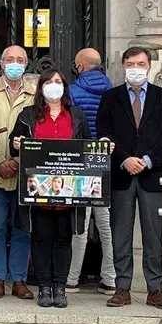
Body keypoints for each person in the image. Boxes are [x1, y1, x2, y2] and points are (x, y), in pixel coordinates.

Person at [96, 46, 162, 311]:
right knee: (120, 234)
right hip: (121, 174)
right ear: (123, 65)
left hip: (153, 175)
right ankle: (122, 287)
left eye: (141, 63)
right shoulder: (110, 98)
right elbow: (103, 131)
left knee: (153, 235)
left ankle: (155, 289)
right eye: (131, 63)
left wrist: (147, 160)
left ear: (149, 66)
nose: (136, 68)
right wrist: (124, 158)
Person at [10, 69, 91, 308]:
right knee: (41, 238)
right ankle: (44, 286)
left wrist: (101, 147)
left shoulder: (76, 115)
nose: (53, 85)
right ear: (41, 87)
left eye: (58, 81)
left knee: (63, 239)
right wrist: (16, 143)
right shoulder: (28, 115)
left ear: (64, 86)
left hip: (68, 192)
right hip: (38, 192)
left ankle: (60, 287)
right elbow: (15, 146)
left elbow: (87, 145)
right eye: (49, 82)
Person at [0, 45, 36, 300]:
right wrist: (0, 160)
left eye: (19, 60)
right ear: (1, 64)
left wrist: (20, 162)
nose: (14, 63)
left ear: (26, 64)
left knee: (23, 229)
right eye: (9, 59)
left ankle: (19, 280)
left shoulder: (36, 94)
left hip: (25, 176)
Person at [68, 48, 116, 295]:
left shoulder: (74, 91)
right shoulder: (113, 92)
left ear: (79, 65)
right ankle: (109, 278)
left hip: (81, 160)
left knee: (80, 222)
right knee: (105, 222)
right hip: (105, 161)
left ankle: (72, 278)